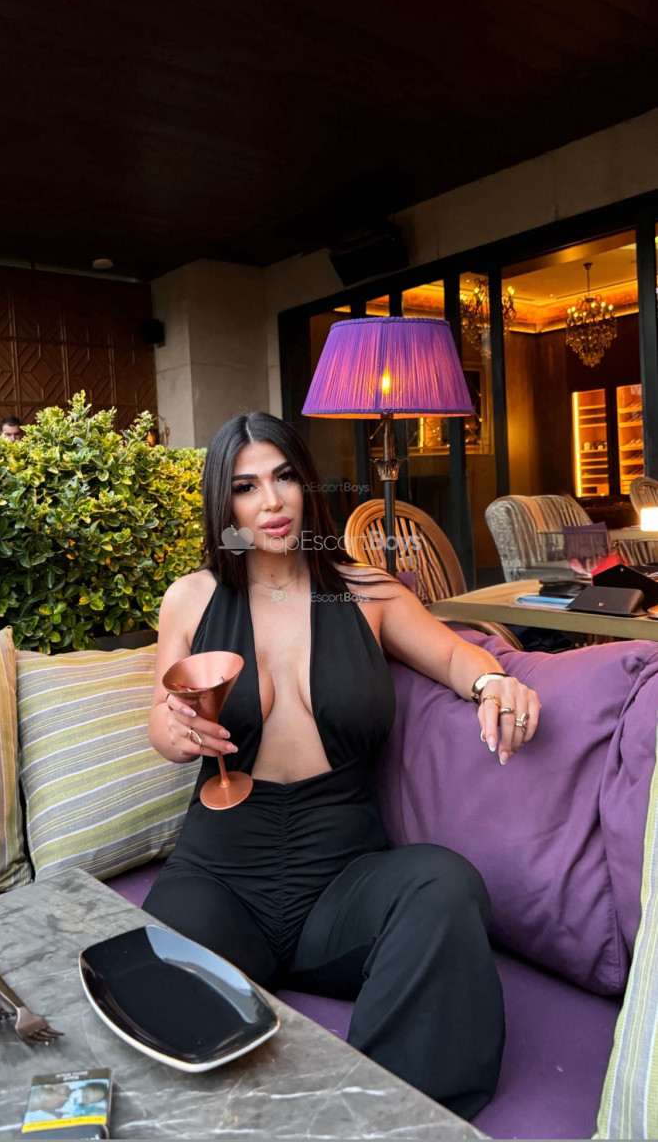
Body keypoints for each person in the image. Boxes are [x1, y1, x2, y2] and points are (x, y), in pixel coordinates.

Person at [144, 411, 541, 1120]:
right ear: (222, 503)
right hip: (220, 875)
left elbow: (455, 654)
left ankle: (385, 1120)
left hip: (343, 877)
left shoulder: (367, 591)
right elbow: (161, 717)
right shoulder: (191, 598)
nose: (271, 502)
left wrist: (492, 682)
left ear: (307, 484)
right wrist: (174, 731)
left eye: (284, 478)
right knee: (156, 960)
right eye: (245, 487)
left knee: (443, 884)